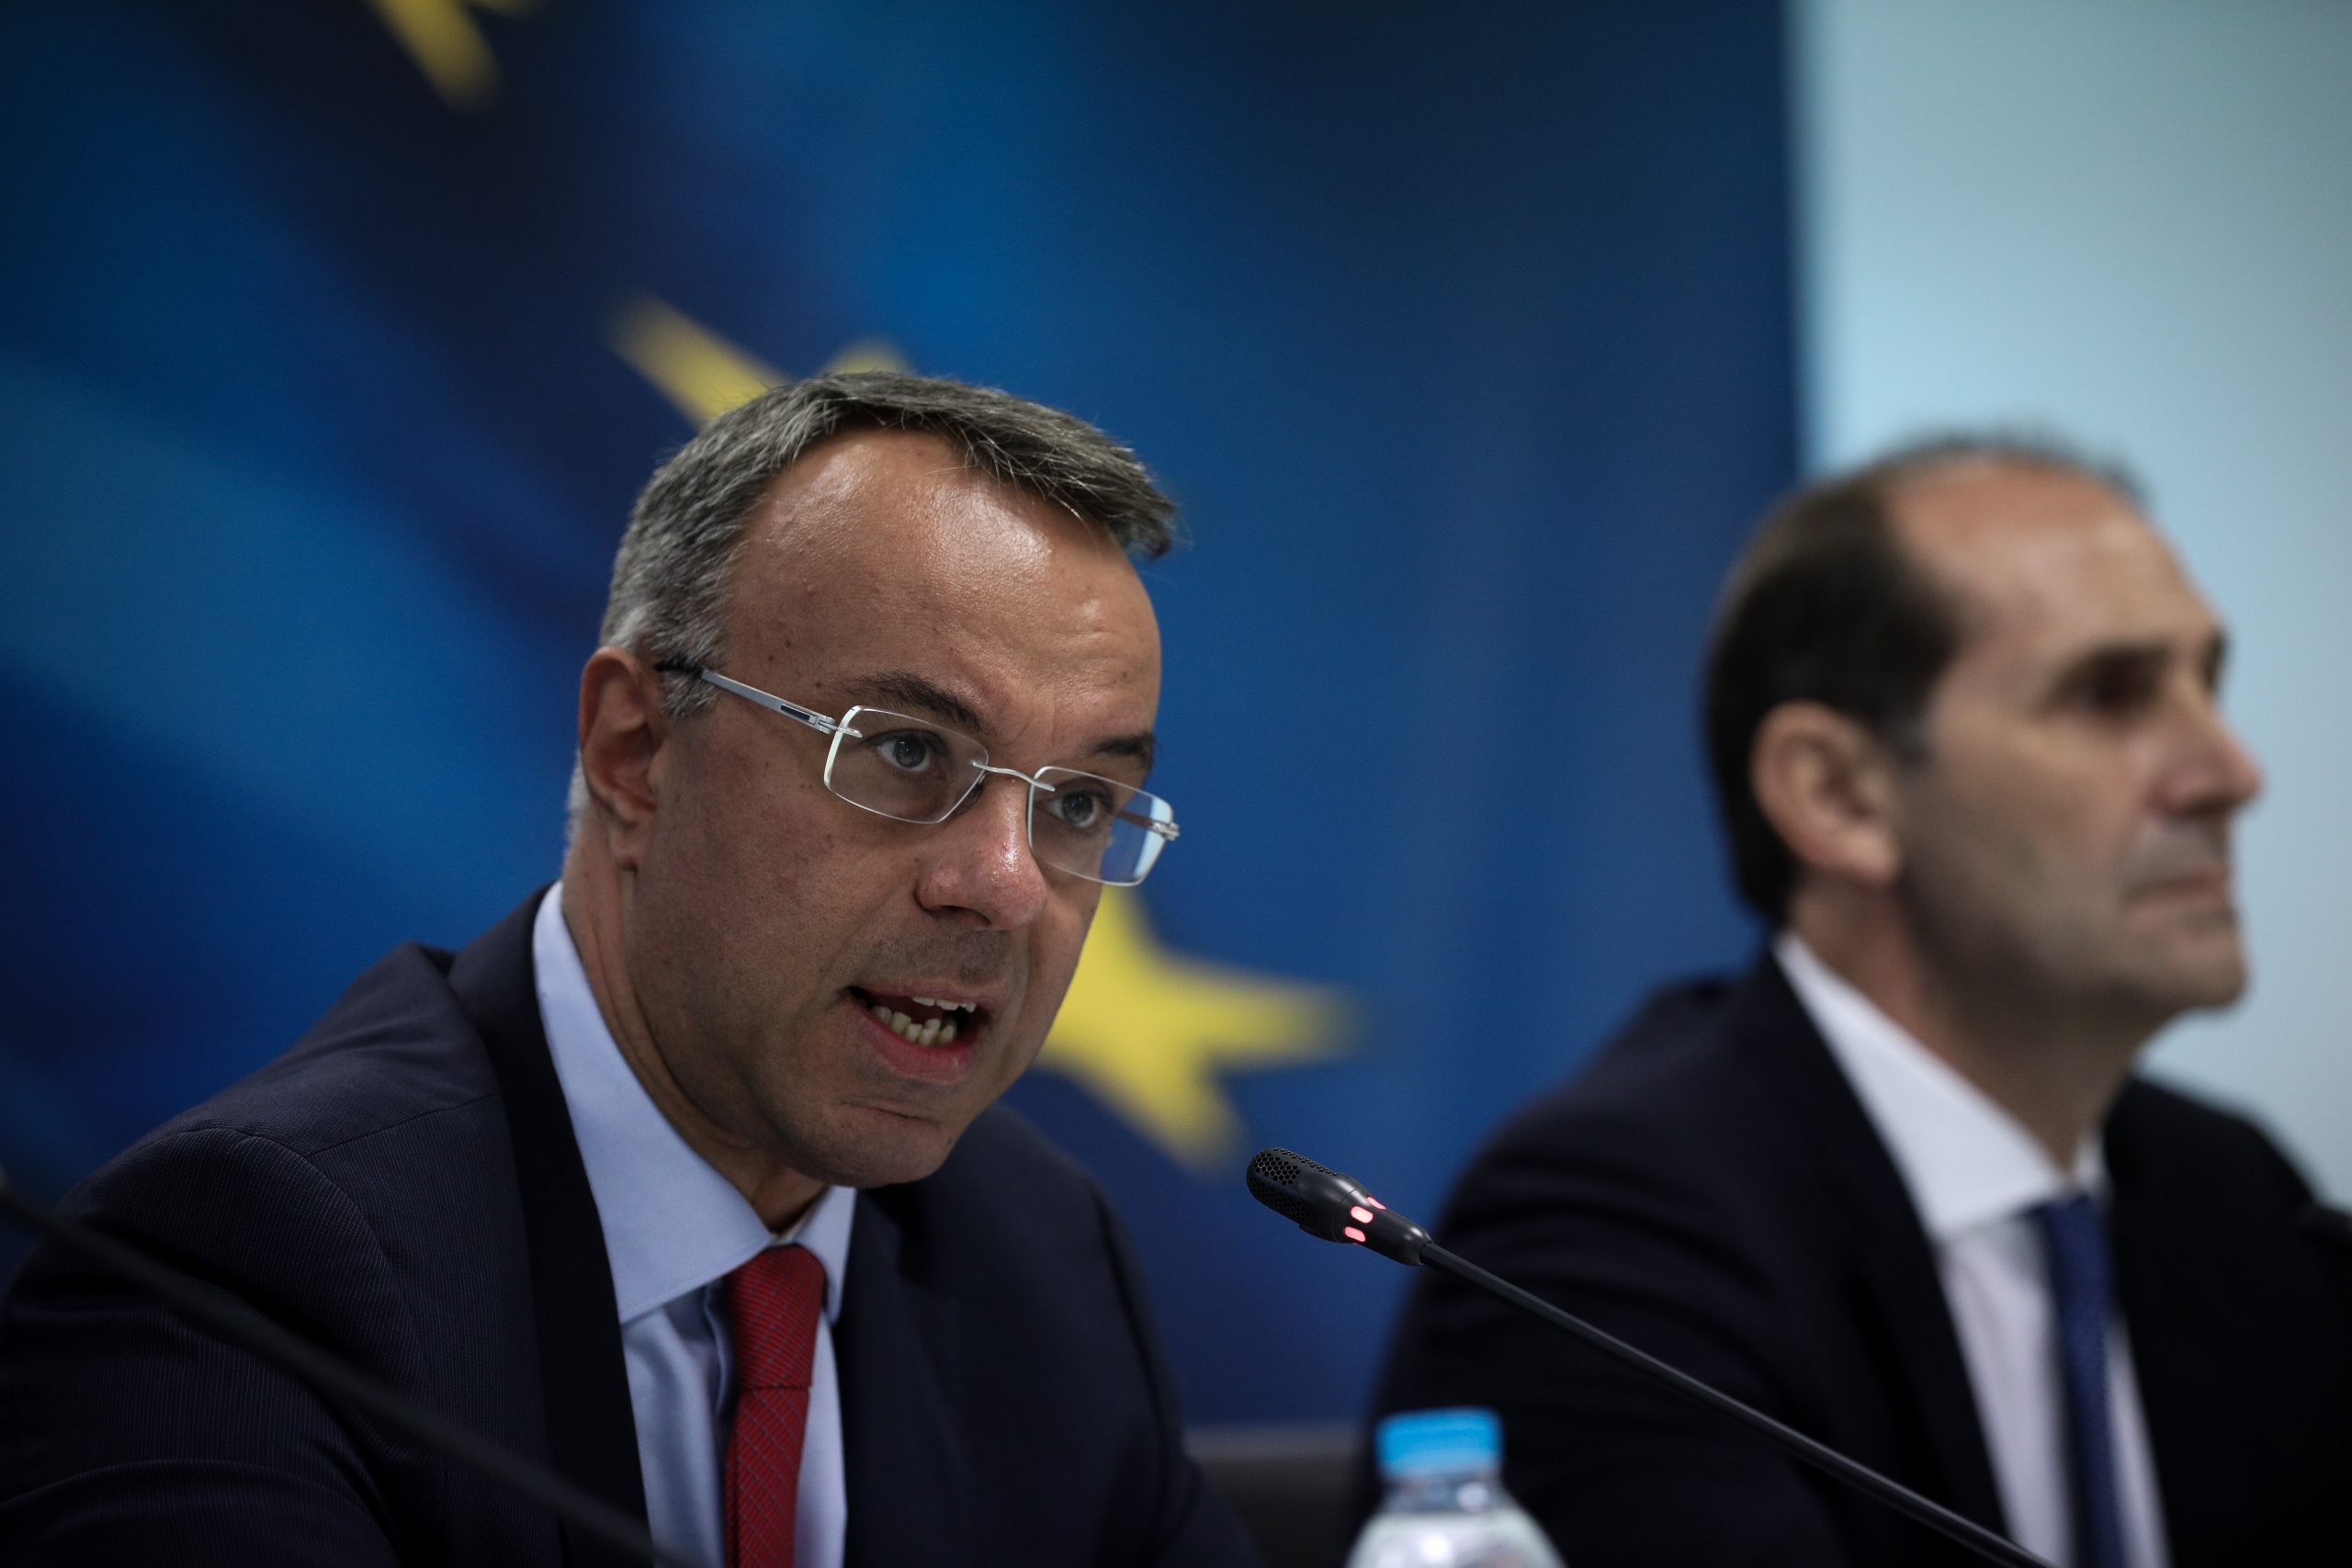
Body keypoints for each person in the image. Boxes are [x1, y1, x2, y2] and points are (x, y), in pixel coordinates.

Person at [0, 373, 1258, 1567]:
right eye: (908, 751)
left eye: (1079, 803)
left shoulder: (1037, 1257)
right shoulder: (247, 1261)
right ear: (636, 748)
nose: (1005, 883)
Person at [1365, 436, 2352, 1566]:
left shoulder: (2236, 1198)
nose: (2229, 772)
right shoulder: (1606, 1238)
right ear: (1838, 796)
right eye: (2107, 696)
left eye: (2205, 684)